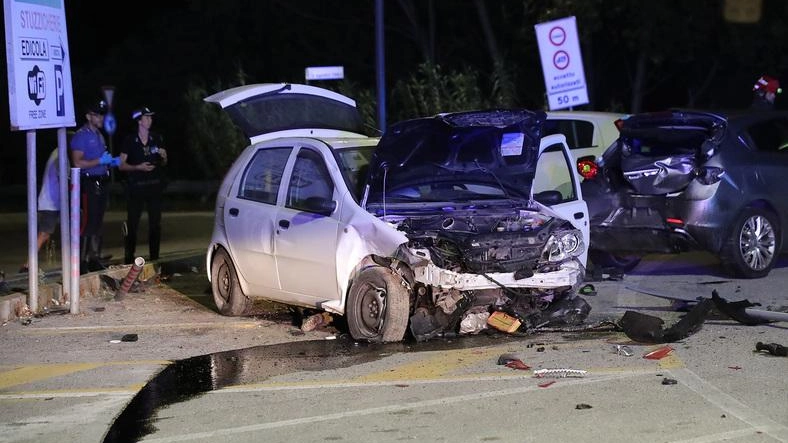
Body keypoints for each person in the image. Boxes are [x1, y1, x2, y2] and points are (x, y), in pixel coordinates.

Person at [70, 100, 120, 274]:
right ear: (88, 116)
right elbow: (77, 162)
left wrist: (110, 162)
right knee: (88, 222)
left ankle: (93, 258)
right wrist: (99, 161)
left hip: (101, 181)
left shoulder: (99, 135)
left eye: (102, 114)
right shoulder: (81, 136)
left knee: (98, 221)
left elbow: (101, 160)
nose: (101, 117)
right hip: (89, 183)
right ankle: (82, 261)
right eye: (97, 114)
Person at [119, 106, 168, 264]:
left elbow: (164, 162)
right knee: (132, 224)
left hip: (154, 186)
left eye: (151, 117)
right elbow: (121, 165)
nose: (150, 120)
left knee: (155, 223)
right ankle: (129, 257)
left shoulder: (156, 138)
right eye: (146, 117)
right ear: (139, 121)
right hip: (136, 187)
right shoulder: (130, 140)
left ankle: (155, 257)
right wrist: (137, 167)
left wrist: (164, 156)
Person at [20, 148, 61, 273]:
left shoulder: (57, 152)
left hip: (54, 200)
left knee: (45, 234)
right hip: (50, 201)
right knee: (44, 234)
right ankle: (27, 265)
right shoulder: (60, 154)